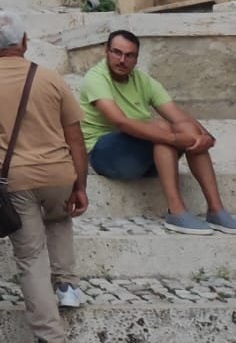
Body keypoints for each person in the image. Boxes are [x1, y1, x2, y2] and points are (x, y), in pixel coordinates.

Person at [0, 12, 88, 343]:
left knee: (31, 258)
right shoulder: (52, 79)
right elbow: (76, 138)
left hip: (15, 178)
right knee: (61, 218)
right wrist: (80, 184)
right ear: (26, 41)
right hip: (59, 172)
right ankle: (66, 284)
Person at [78, 28, 235, 233]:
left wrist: (206, 137)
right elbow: (121, 122)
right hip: (105, 155)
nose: (122, 60)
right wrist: (175, 138)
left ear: (136, 59)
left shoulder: (143, 80)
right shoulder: (95, 78)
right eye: (117, 52)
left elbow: (179, 116)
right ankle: (176, 211)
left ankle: (216, 210)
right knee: (162, 128)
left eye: (129, 55)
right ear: (106, 52)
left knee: (186, 127)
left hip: (144, 155)